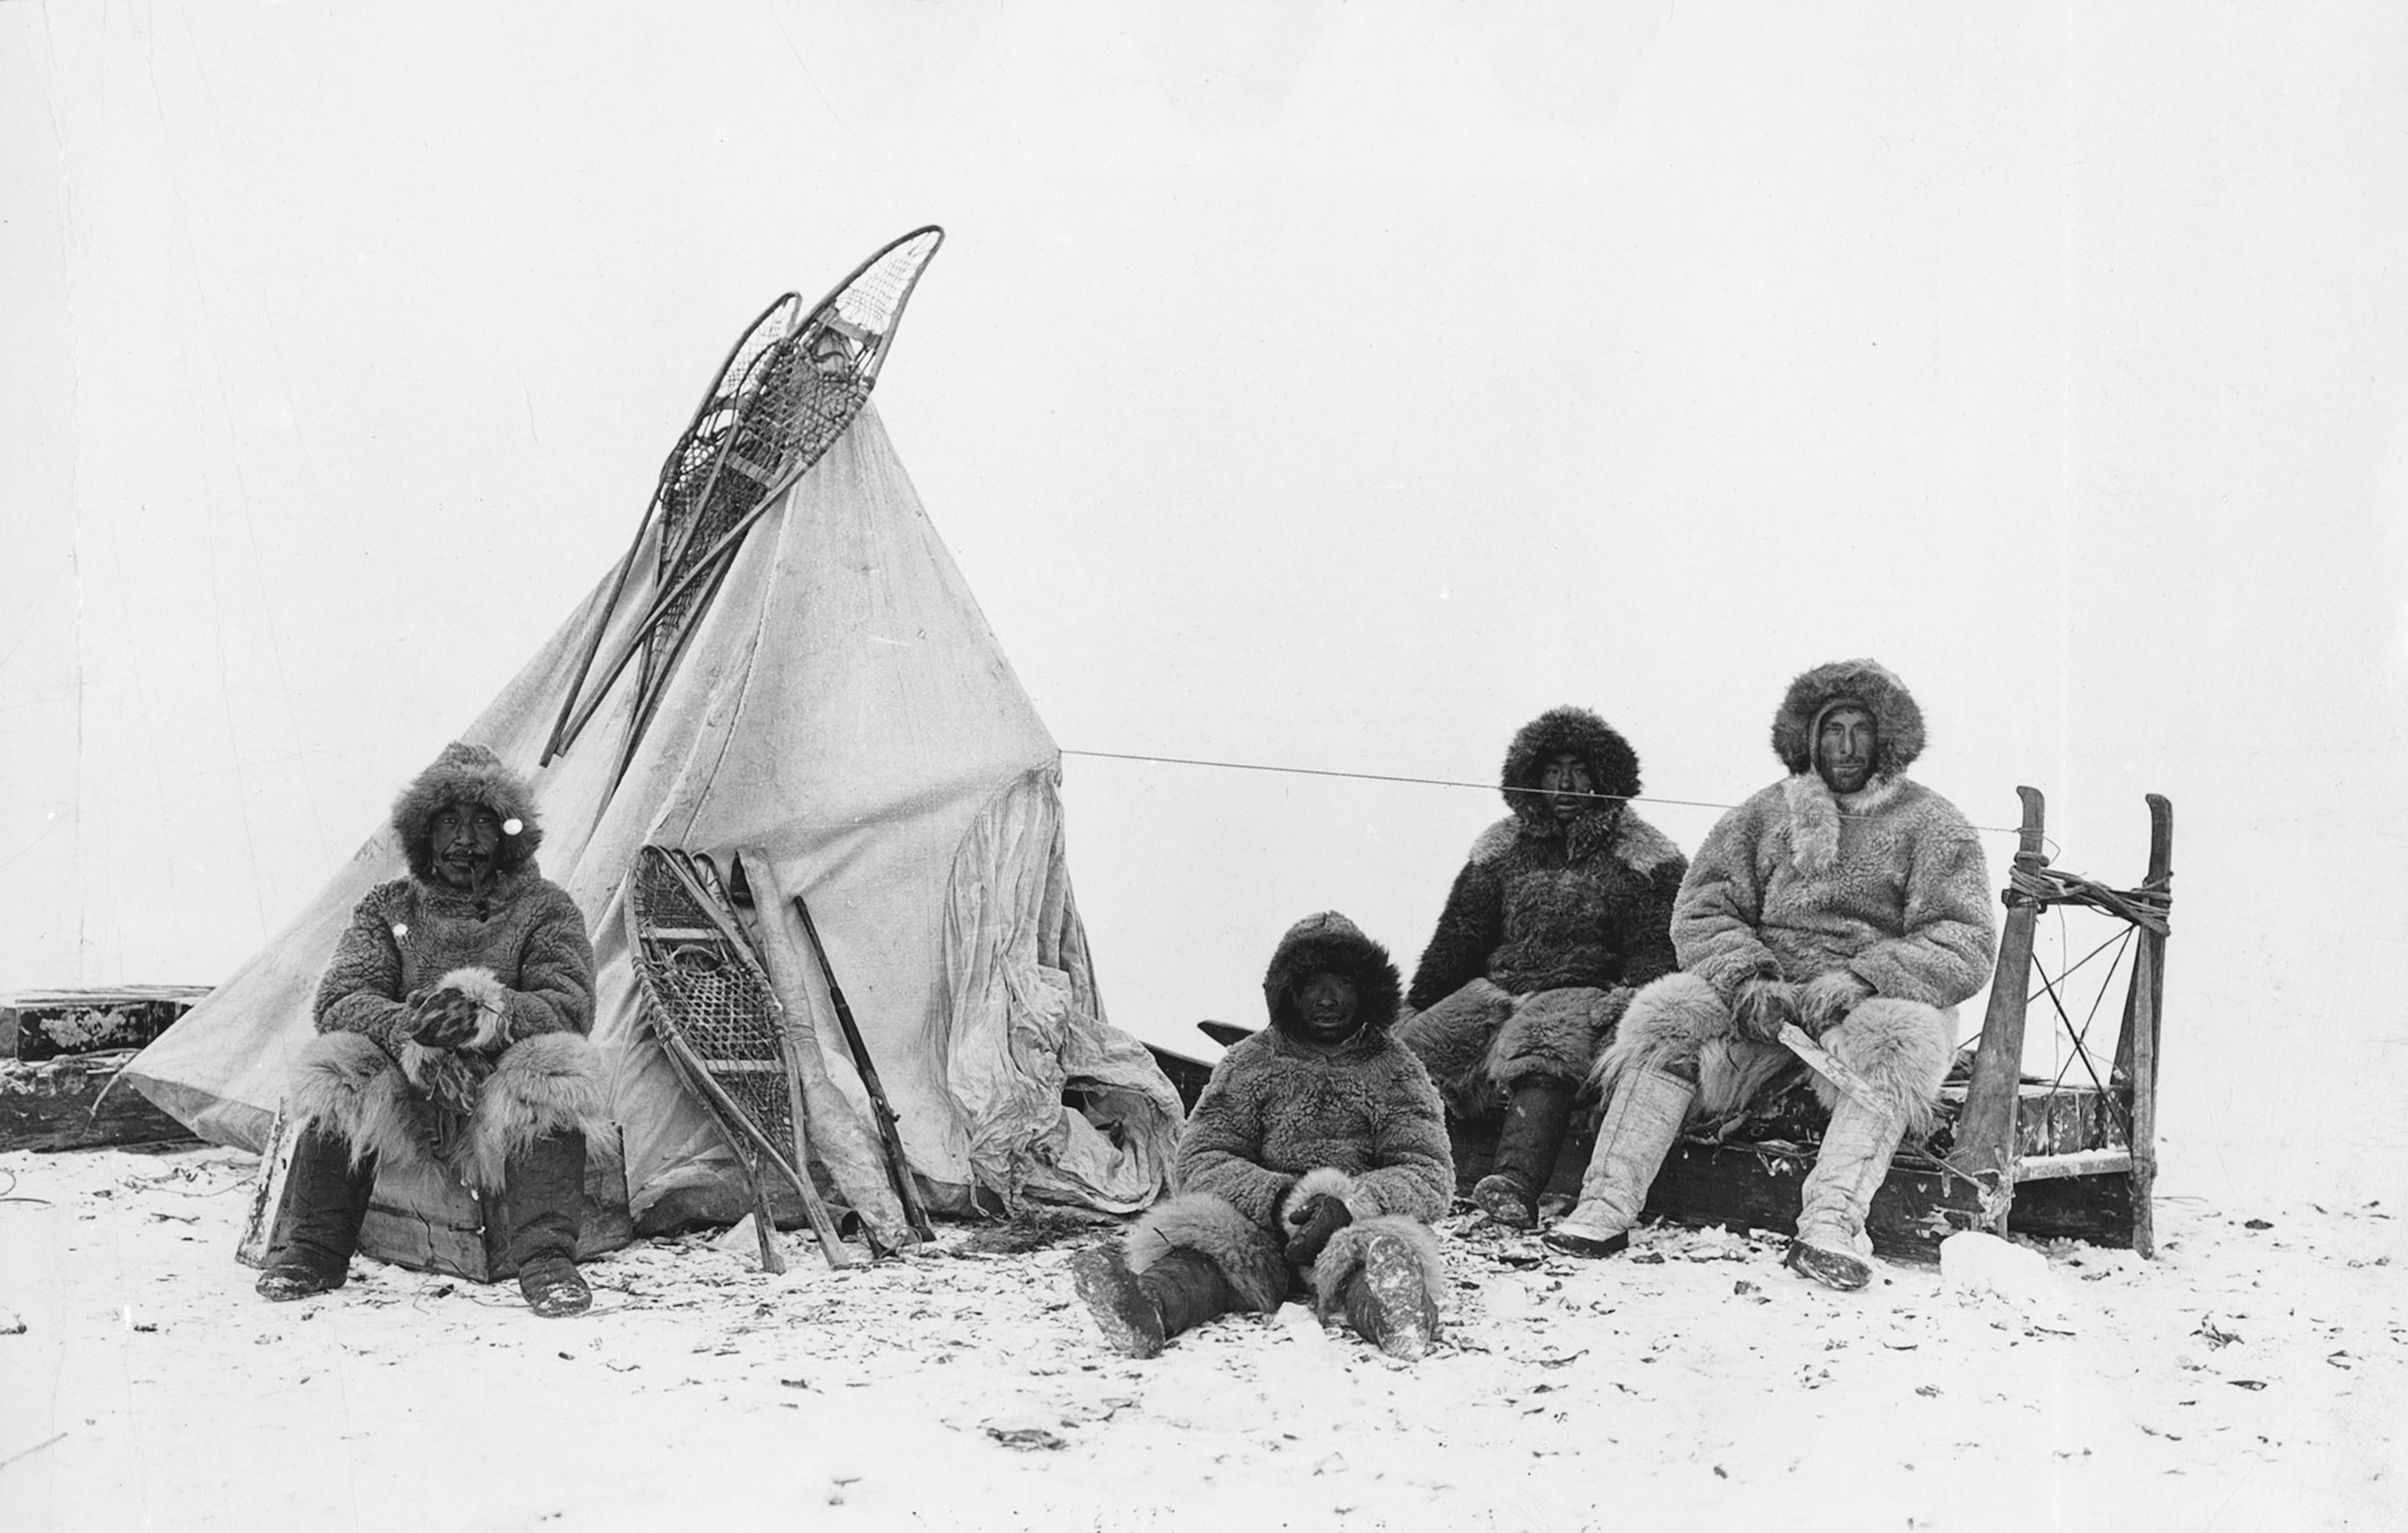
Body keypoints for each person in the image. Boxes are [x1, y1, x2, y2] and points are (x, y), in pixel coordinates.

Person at [1543, 661, 1996, 1291]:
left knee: (1902, 1042)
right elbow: (1703, 909)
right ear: (1807, 735)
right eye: (1832, 729)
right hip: (1764, 998)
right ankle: (1604, 1205)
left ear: (1888, 737)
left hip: (1865, 1001)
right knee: (1666, 1019)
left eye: (1860, 730)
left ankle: (1832, 1225)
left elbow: (1964, 938)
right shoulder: (1760, 815)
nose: (1845, 746)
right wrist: (1747, 977)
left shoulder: (1933, 824)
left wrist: (1865, 978)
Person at [255, 741, 607, 1317]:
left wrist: (484, 1016)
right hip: (410, 1105)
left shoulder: (547, 908)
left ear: (509, 834)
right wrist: (415, 1030)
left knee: (558, 1064)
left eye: (482, 822)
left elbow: (568, 1007)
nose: (464, 840)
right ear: (423, 834)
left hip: (498, 1110)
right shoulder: (388, 907)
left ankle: (547, 1260)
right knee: (337, 1063)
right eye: (448, 822)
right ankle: (315, 1250)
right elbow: (340, 999)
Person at [1071, 912, 1454, 1361]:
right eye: (1312, 984)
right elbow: (1201, 1157)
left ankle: (1399, 1318)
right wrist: (1279, 1201)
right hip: (1257, 1232)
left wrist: (1348, 1205)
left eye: (1344, 984)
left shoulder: (1397, 1069)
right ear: (1288, 990)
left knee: (1380, 1257)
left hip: (1354, 1228)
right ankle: (1149, 1307)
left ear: (1367, 990)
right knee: (1199, 1252)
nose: (1327, 999)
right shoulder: (1249, 1063)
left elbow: (1428, 1171)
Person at [1397, 707, 1686, 1227]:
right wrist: (1420, 1003)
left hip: (1582, 992)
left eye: (1580, 770)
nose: (1567, 785)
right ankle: (1399, 1167)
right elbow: (1460, 936)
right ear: (1531, 776)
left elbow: (1656, 945)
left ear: (1605, 775)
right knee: (1412, 1052)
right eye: (1553, 771)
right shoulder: (1500, 847)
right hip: (1498, 990)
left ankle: (1515, 1183)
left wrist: (1629, 1004)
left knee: (1544, 1052)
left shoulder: (1643, 854)